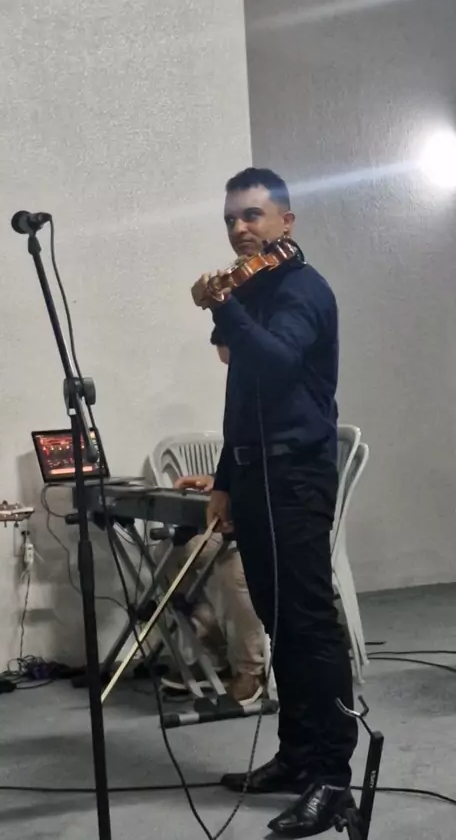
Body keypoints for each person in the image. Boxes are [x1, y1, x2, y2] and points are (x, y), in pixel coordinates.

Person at [191, 168, 358, 838]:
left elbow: (279, 363)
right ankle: (296, 758)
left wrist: (222, 305)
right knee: (279, 621)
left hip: (296, 477)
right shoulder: (253, 291)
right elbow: (242, 394)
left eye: (252, 215)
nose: (239, 228)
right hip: (256, 475)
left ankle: (333, 779)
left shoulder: (302, 290)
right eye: (231, 218)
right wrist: (224, 479)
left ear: (285, 221)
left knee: (310, 628)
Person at [160, 468, 266, 705]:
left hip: (280, 527)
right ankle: (214, 656)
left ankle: (251, 670)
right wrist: (217, 483)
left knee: (234, 569)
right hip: (240, 521)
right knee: (172, 554)